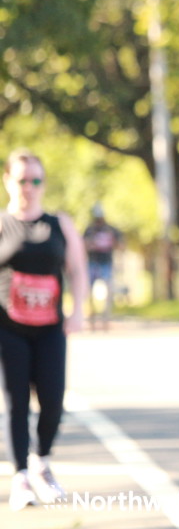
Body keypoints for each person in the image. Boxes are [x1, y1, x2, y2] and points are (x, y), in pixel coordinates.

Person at [0, 149, 87, 510]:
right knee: (16, 402)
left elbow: (77, 269)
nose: (29, 187)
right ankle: (21, 476)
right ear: (8, 181)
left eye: (36, 180)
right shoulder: (2, 224)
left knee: (53, 400)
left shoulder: (59, 224)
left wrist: (78, 311)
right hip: (9, 328)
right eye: (22, 180)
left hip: (50, 327)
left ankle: (42, 462)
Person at [83, 202, 123, 331]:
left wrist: (113, 242)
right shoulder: (89, 230)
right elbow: (82, 246)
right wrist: (90, 244)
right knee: (89, 293)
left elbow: (121, 245)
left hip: (106, 263)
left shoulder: (110, 230)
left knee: (108, 293)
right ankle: (92, 318)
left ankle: (106, 319)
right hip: (92, 263)